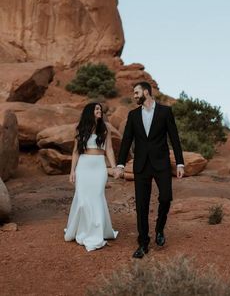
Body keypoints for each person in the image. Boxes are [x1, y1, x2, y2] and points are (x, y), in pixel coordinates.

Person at [115, 82, 184, 258]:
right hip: (141, 165)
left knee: (166, 197)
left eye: (137, 92)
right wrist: (120, 164)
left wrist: (180, 163)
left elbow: (174, 138)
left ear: (146, 92)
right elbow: (126, 141)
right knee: (141, 205)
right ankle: (143, 243)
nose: (135, 95)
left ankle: (159, 229)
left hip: (161, 163)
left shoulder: (165, 112)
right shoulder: (133, 115)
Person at [64, 102, 118, 251]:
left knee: (97, 197)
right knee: (82, 200)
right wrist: (72, 171)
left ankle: (96, 232)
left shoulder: (105, 128)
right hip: (83, 166)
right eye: (96, 109)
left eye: (100, 109)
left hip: (99, 167)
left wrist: (113, 167)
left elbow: (110, 150)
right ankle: (83, 230)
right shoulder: (81, 129)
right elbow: (75, 152)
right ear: (90, 112)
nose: (99, 111)